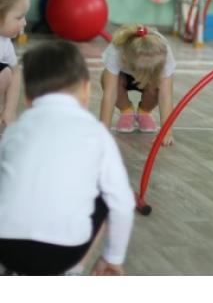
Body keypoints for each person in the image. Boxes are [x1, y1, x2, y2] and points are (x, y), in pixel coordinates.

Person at [0, 40, 135, 275]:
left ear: (28, 98)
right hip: (63, 252)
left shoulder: (14, 131)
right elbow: (122, 202)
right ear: (86, 90)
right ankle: (73, 271)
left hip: (6, 247)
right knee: (106, 194)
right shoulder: (96, 132)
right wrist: (113, 258)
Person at [99, 24, 175, 146]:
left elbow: (165, 96)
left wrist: (167, 132)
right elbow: (110, 93)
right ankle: (126, 110)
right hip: (123, 78)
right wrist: (103, 132)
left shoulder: (163, 51)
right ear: (125, 58)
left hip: (151, 82)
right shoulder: (116, 50)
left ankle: (144, 111)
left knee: (159, 85)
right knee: (106, 79)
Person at [0, 0, 29, 127]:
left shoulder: (5, 43)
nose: (25, 22)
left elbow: (16, 72)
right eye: (19, 17)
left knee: (6, 73)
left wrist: (9, 110)